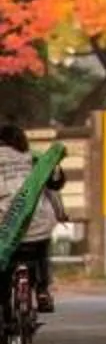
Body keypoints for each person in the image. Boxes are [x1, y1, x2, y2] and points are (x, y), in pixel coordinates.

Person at [0, 126, 64, 315]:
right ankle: (42, 290)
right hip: (39, 224)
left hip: (5, 227)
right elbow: (55, 185)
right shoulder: (35, 158)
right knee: (41, 249)